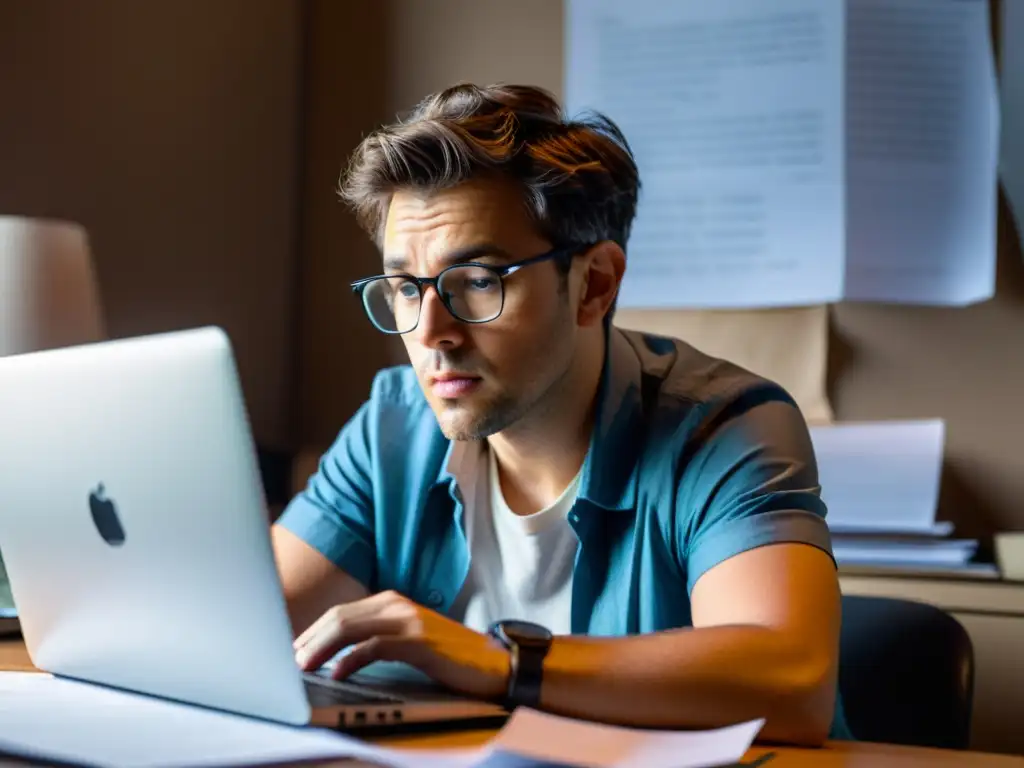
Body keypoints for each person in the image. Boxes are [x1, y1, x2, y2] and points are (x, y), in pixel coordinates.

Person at [272, 82, 851, 745]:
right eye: (406, 287)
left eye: (480, 281)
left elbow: (792, 683)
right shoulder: (392, 427)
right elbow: (239, 632)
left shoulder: (726, 427)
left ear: (593, 284)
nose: (431, 332)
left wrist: (499, 663)